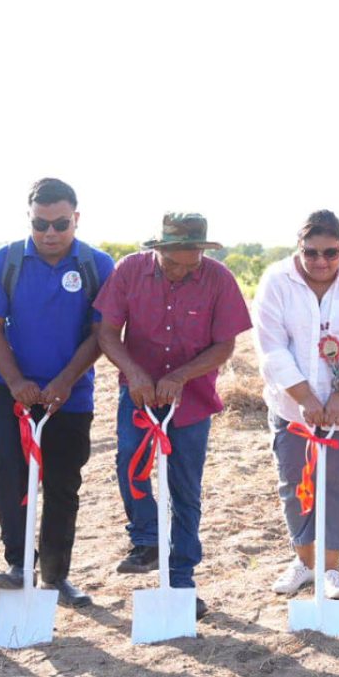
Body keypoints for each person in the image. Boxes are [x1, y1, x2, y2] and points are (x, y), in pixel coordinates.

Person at [95, 213, 252, 619]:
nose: (182, 272)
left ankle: (181, 579)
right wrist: (133, 373)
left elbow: (224, 346)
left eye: (191, 263)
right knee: (130, 462)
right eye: (173, 263)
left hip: (193, 399)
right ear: (158, 250)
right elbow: (107, 332)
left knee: (185, 488)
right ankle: (146, 539)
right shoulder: (129, 271)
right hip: (139, 392)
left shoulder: (219, 280)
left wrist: (182, 376)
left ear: (202, 251)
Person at [0, 177, 115, 608]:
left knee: (61, 484)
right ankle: (19, 565)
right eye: (40, 224)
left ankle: (56, 576)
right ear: (29, 219)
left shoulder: (97, 265)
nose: (50, 233)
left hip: (70, 396)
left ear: (76, 218)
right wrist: (16, 382)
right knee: (10, 474)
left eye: (60, 224)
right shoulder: (6, 261)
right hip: (12, 392)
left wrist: (66, 381)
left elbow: (103, 333)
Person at [252, 210, 339, 600]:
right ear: (299, 248)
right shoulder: (276, 282)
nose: (320, 262)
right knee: (297, 483)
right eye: (311, 252)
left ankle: (330, 570)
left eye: (330, 253)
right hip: (291, 405)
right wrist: (307, 399)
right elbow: (272, 349)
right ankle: (304, 561)